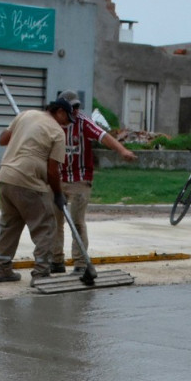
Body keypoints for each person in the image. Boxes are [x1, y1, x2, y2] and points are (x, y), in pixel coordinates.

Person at [50, 91, 137, 274]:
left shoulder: (83, 122)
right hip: (57, 178)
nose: (75, 111)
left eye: (77, 107)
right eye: (71, 108)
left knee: (77, 221)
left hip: (80, 179)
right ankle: (56, 261)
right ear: (61, 109)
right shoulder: (52, 124)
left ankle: (80, 263)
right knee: (55, 222)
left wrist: (122, 151)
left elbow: (103, 136)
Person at [0, 98, 72, 286]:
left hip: (6, 177)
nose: (67, 123)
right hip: (29, 180)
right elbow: (53, 170)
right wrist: (58, 194)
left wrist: (20, 128)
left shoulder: (26, 115)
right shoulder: (57, 132)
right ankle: (42, 272)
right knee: (46, 226)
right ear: (59, 111)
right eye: (67, 118)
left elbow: (2, 139)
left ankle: (2, 268)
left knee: (10, 224)